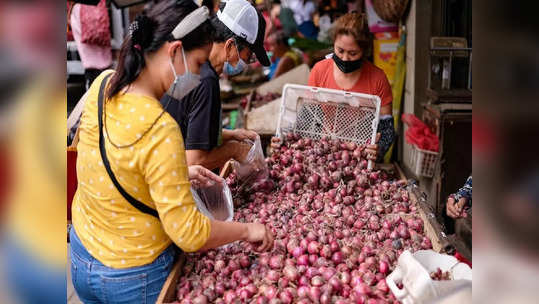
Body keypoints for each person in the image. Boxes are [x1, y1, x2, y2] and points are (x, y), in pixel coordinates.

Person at [70, 1, 273, 303]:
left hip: (81, 258)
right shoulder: (160, 127)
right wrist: (247, 230)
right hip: (133, 277)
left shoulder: (103, 84)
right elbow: (188, 233)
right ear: (175, 51)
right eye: (197, 62)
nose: (198, 74)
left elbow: (93, 151)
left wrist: (177, 173)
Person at [164, 0, 271, 170]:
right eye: (248, 56)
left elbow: (183, 123)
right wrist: (235, 150)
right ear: (230, 45)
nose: (247, 63)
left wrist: (228, 135)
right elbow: (194, 161)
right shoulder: (206, 81)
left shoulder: (192, 61)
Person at [308, 12, 394, 162]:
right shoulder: (319, 71)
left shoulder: (378, 79)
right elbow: (309, 116)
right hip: (324, 154)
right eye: (340, 50)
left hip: (361, 158)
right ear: (333, 43)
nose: (345, 58)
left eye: (353, 53)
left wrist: (377, 148)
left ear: (365, 51)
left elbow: (387, 129)